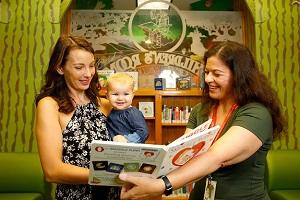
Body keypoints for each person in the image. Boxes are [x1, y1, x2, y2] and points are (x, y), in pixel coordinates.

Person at [118, 41, 287, 200]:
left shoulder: (257, 114)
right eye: (206, 72)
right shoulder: (200, 110)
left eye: (216, 74)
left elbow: (216, 157)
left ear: (239, 76)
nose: (208, 79)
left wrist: (163, 185)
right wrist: (144, 174)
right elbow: (184, 156)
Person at [35, 35, 120, 200]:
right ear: (60, 68)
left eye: (92, 66)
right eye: (79, 67)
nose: (88, 74)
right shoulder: (49, 105)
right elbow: (52, 171)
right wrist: (109, 176)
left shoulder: (105, 104)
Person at [106, 72, 149, 143]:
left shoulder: (133, 113)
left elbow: (143, 132)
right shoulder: (110, 111)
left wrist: (127, 140)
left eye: (126, 94)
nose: (120, 98)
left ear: (132, 96)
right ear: (107, 96)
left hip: (130, 150)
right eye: (115, 94)